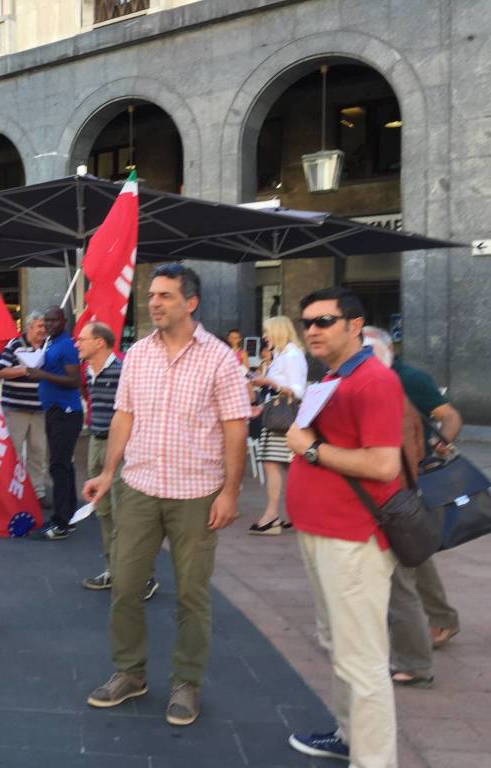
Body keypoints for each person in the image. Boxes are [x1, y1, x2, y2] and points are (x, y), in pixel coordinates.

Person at [83, 263, 250, 726]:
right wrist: (108, 471)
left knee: (192, 595)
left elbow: (236, 429)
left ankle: (186, 682)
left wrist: (230, 492)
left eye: (165, 296)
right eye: (151, 295)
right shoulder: (137, 355)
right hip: (137, 487)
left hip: (196, 493)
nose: (153, 302)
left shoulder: (219, 359)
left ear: (190, 302)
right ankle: (129, 673)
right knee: (125, 587)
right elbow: (124, 417)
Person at [284, 287, 403, 766]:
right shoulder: (335, 376)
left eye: (324, 321)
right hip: (324, 532)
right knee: (339, 645)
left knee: (363, 660)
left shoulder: (373, 381)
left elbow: (383, 464)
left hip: (354, 538)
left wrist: (309, 449)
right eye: (307, 321)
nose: (312, 329)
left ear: (355, 325)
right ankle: (349, 735)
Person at [363, 326, 463, 688]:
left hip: (403, 489)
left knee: (403, 573)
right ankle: (443, 618)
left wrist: (439, 448)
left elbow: (450, 416)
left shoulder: (404, 380)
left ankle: (414, 659)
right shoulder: (382, 380)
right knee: (416, 556)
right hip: (404, 488)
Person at [75, 322, 160, 599]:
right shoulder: (88, 371)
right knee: (103, 511)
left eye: (83, 339)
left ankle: (144, 577)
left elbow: (134, 412)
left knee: (125, 513)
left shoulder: (124, 370)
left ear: (99, 342)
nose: (77, 343)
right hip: (96, 444)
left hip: (120, 448)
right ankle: (114, 570)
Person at [25, 306, 83, 540]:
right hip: (54, 411)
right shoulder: (51, 342)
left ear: (64, 321)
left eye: (53, 321)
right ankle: (67, 516)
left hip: (65, 412)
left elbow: (74, 380)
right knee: (62, 465)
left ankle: (61, 522)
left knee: (59, 466)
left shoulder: (66, 345)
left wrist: (42, 376)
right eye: (46, 321)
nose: (48, 324)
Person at [249, 316, 308, 534]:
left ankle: (273, 515)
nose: (264, 337)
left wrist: (268, 382)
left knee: (275, 464)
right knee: (286, 467)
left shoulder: (291, 354)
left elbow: (297, 390)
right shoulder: (284, 354)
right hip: (279, 417)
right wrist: (262, 406)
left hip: (283, 420)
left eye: (267, 332)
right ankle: (293, 515)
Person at [0, 311, 49, 507]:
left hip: (41, 410)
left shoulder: (48, 346)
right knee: (13, 452)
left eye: (44, 326)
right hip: (16, 409)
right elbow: (0, 370)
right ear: (28, 327)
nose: (43, 330)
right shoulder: (15, 345)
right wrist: (25, 370)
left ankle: (37, 492)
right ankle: (12, 491)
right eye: (39, 326)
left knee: (39, 452)